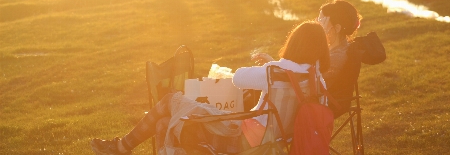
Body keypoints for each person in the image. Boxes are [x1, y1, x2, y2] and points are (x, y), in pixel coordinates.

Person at [90, 21, 330, 155]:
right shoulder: (318, 80)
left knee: (171, 100)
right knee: (164, 123)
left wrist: (271, 65)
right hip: (279, 142)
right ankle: (121, 147)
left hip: (241, 139)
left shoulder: (275, 71)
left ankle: (121, 147)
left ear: (294, 43)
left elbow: (238, 78)